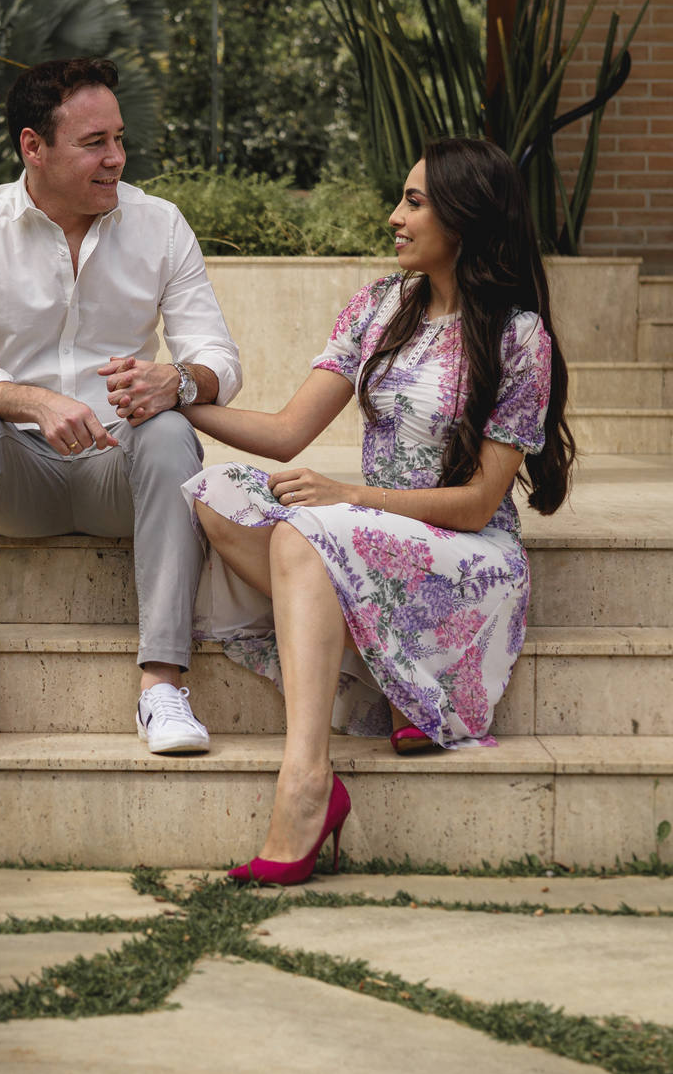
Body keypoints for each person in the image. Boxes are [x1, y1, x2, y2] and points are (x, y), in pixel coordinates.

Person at [180, 136, 574, 886]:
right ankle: (397, 674)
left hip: (464, 553)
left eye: (414, 202)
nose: (395, 217)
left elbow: (478, 501)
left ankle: (305, 787)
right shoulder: (379, 306)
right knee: (218, 497)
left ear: (463, 218)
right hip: (363, 536)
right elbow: (288, 431)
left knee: (304, 534)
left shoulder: (520, 338)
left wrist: (351, 496)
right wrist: (176, 398)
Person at [0, 56, 242, 756]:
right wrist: (33, 402)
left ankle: (163, 689)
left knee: (170, 435)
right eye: (95, 143)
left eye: (119, 140)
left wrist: (175, 382)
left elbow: (220, 361)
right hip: (18, 478)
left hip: (117, 472)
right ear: (34, 146)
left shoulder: (161, 225)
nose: (117, 159)